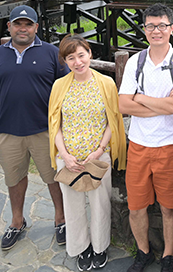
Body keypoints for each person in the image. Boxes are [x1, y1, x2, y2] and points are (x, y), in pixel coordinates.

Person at [0, 5, 68, 250]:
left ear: (36, 28)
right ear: (9, 27)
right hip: (8, 132)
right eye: (17, 24)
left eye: (28, 24)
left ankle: (61, 219)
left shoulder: (52, 53)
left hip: (45, 131)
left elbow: (67, 89)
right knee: (14, 179)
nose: (23, 28)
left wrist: (62, 128)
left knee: (54, 178)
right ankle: (17, 221)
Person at [118, 3, 173, 272]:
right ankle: (144, 251)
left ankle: (169, 255)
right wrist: (160, 103)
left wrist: (140, 97)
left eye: (162, 25)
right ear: (144, 28)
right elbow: (123, 106)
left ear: (171, 28)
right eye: (150, 25)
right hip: (138, 145)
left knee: (169, 207)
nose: (156, 30)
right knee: (136, 207)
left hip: (171, 146)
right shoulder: (136, 62)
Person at [48, 35, 127, 271]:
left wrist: (100, 149)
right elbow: (55, 124)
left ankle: (100, 246)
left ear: (90, 54)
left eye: (81, 55)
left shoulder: (106, 84)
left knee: (100, 204)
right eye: (70, 58)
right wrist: (64, 154)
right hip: (68, 158)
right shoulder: (59, 86)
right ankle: (81, 248)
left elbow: (112, 121)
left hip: (97, 157)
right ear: (65, 61)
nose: (77, 62)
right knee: (72, 205)